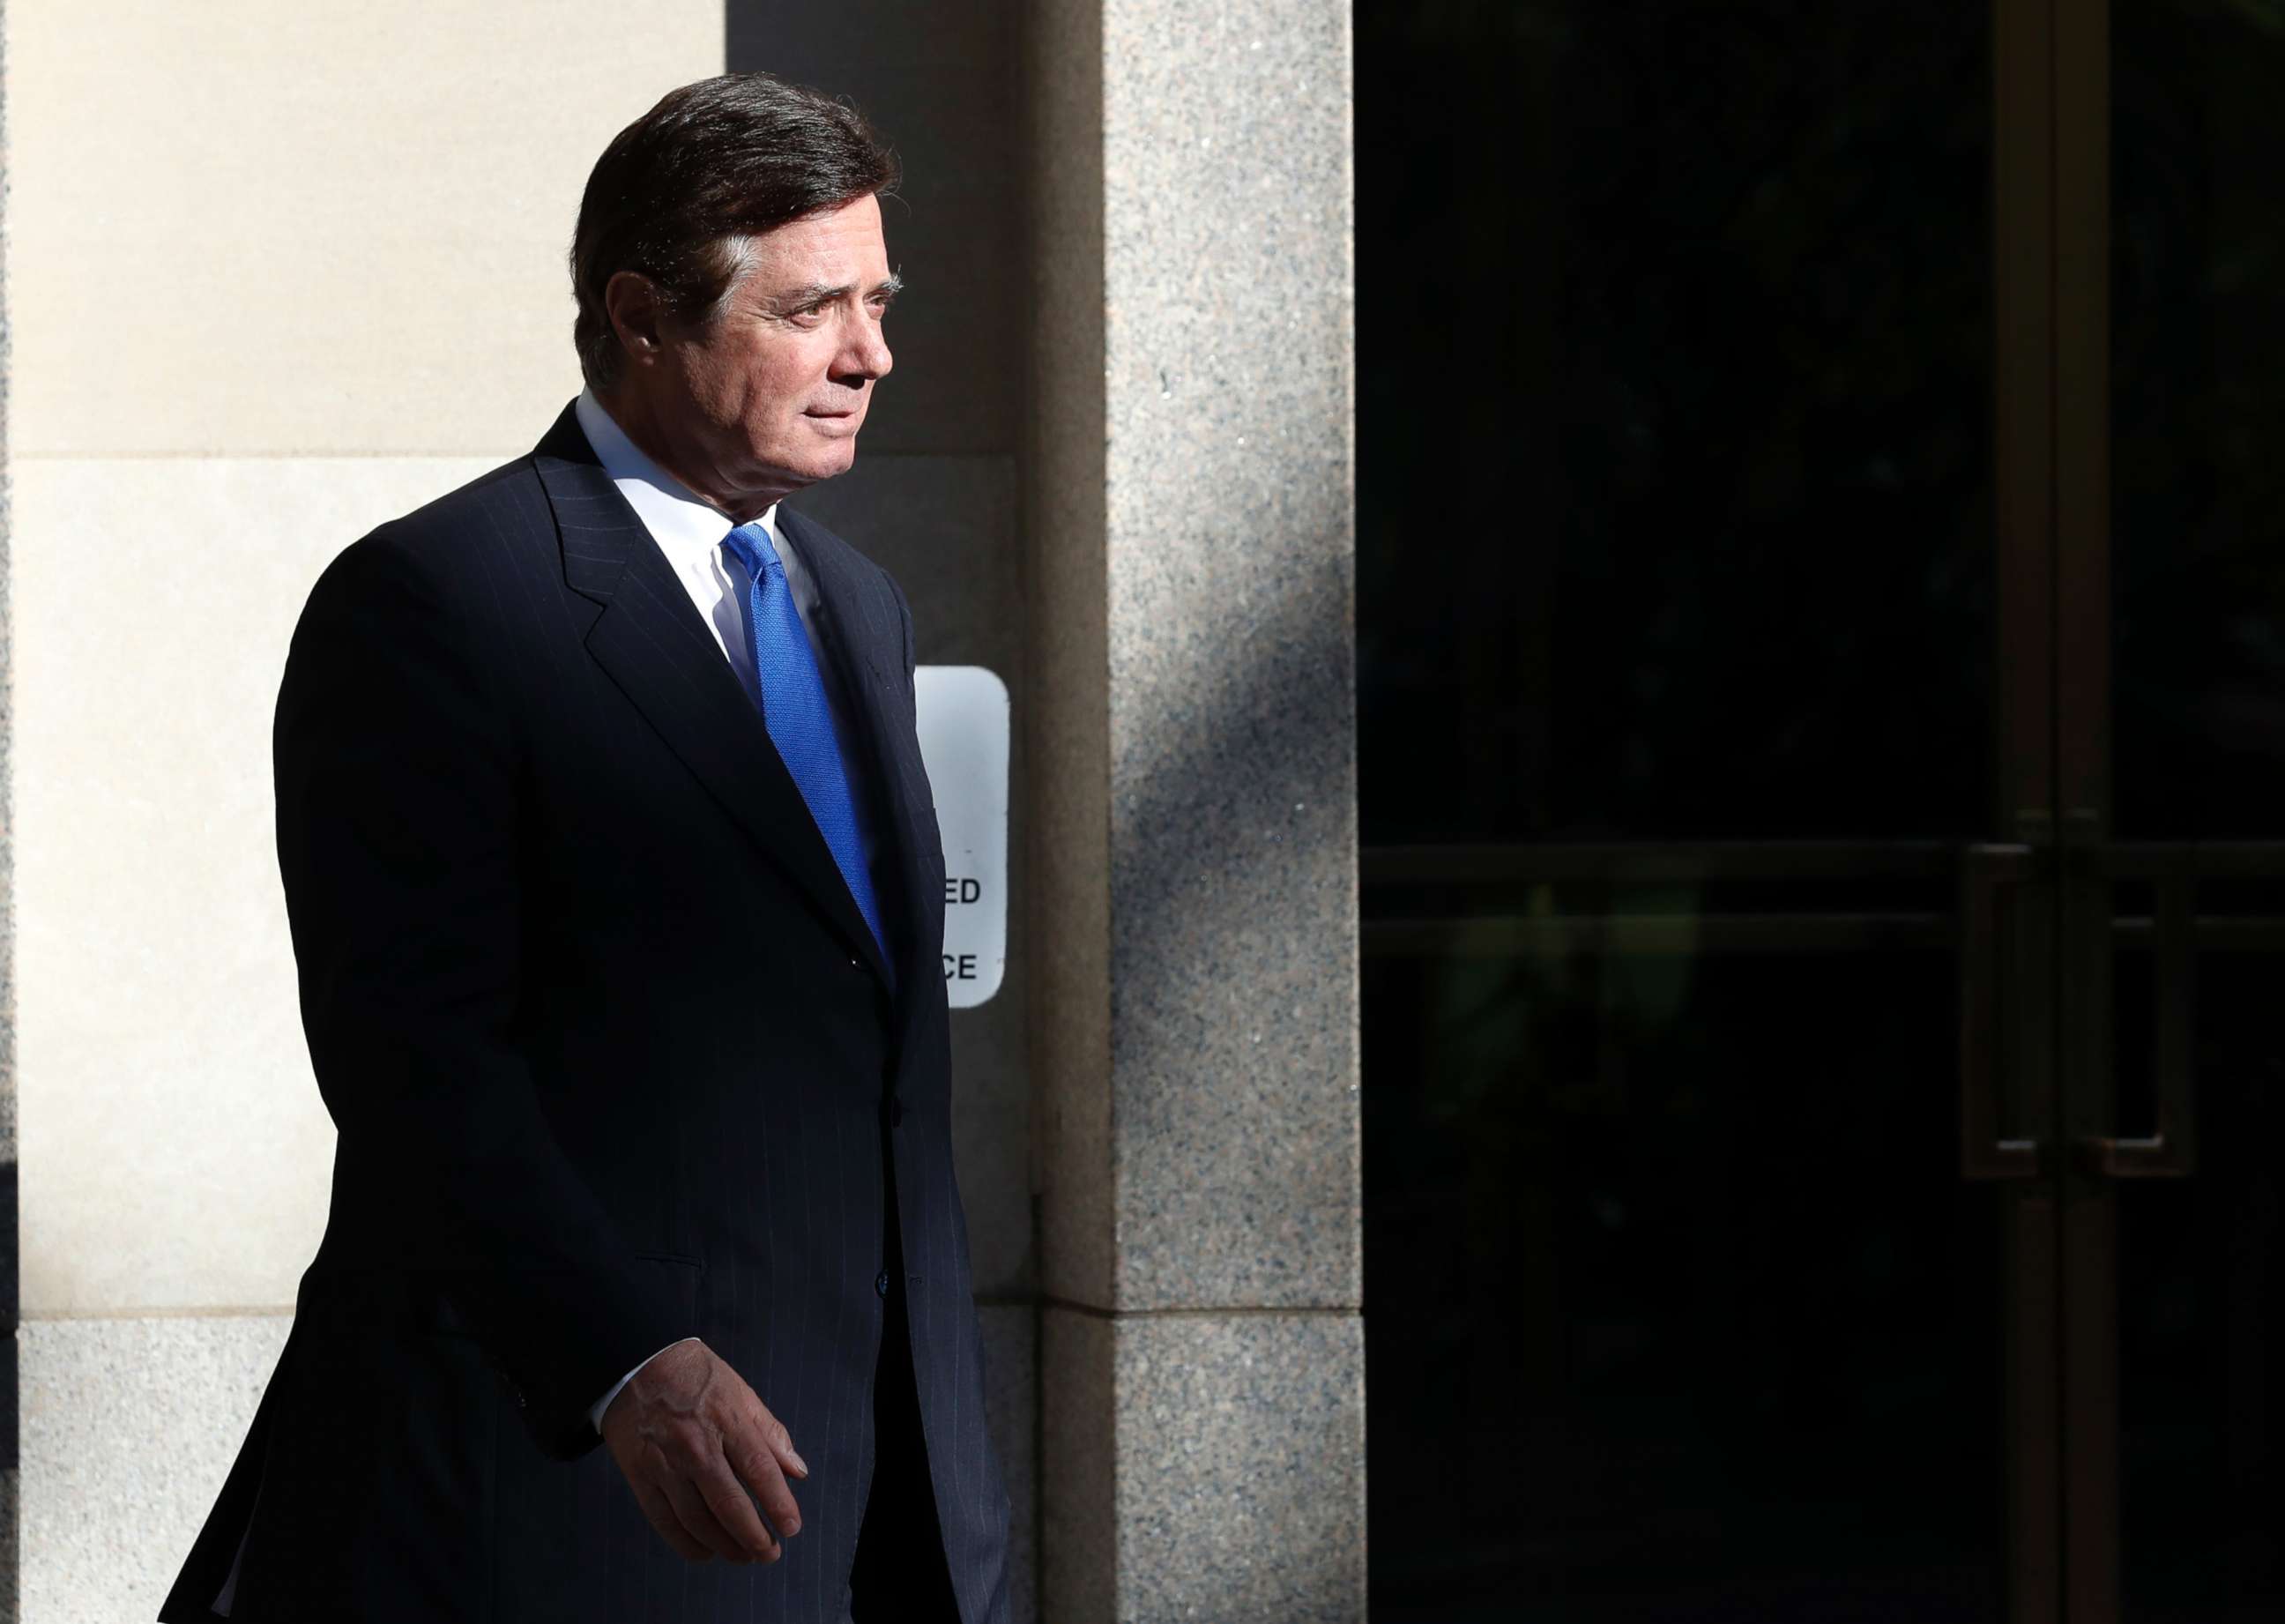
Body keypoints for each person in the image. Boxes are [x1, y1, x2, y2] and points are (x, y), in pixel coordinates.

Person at [157, 71, 1013, 1624]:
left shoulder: (859, 607)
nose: (872, 354)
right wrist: (625, 1359)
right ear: (640, 314)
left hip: (880, 1499)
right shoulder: (436, 604)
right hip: (580, 1499)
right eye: (815, 307)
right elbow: (413, 1057)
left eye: (881, 301)